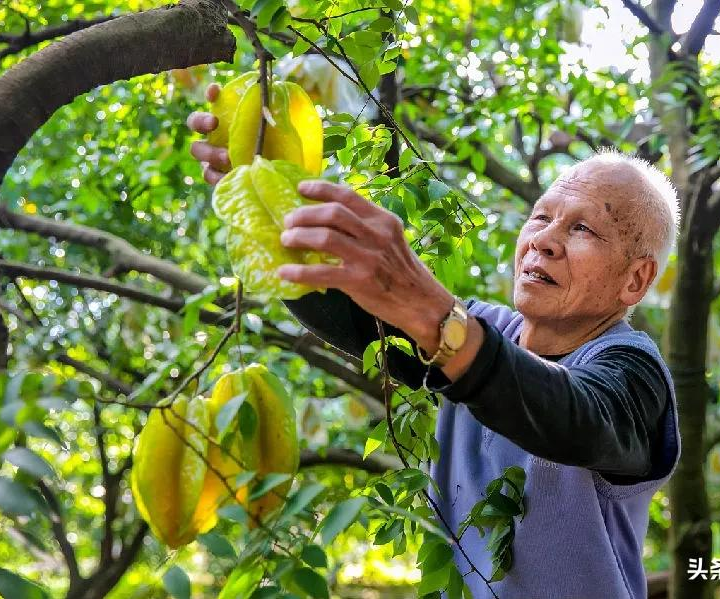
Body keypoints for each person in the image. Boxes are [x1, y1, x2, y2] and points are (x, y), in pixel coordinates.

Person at [187, 83, 681, 599]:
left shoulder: (633, 370)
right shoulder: (483, 328)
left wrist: (431, 312)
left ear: (635, 280)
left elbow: (577, 418)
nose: (544, 240)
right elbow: (337, 305)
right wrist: (262, 191)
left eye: (583, 229)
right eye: (541, 216)